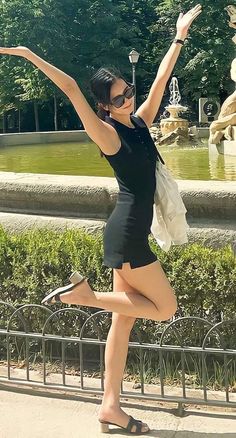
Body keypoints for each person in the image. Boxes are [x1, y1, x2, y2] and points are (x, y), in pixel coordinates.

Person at [0, 4, 202, 434]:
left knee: (123, 323)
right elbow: (72, 87)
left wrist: (179, 36)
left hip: (127, 232)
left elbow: (164, 78)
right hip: (128, 236)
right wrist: (28, 55)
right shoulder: (107, 134)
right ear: (104, 106)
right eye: (118, 98)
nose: (128, 99)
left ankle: (110, 406)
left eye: (128, 92)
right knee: (165, 309)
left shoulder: (141, 123)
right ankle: (80, 297)